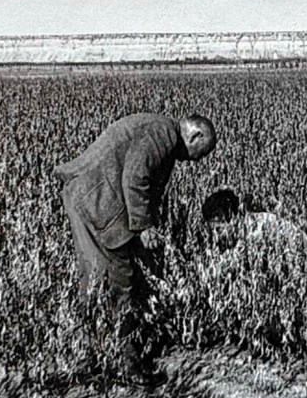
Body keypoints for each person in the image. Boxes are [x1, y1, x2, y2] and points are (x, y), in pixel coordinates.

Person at [53, 113, 217, 385]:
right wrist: (143, 227)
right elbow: (135, 177)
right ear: (195, 135)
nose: (199, 160)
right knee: (119, 282)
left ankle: (89, 353)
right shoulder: (162, 134)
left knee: (95, 281)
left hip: (90, 198)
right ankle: (126, 365)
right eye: (203, 152)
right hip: (98, 205)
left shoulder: (157, 129)